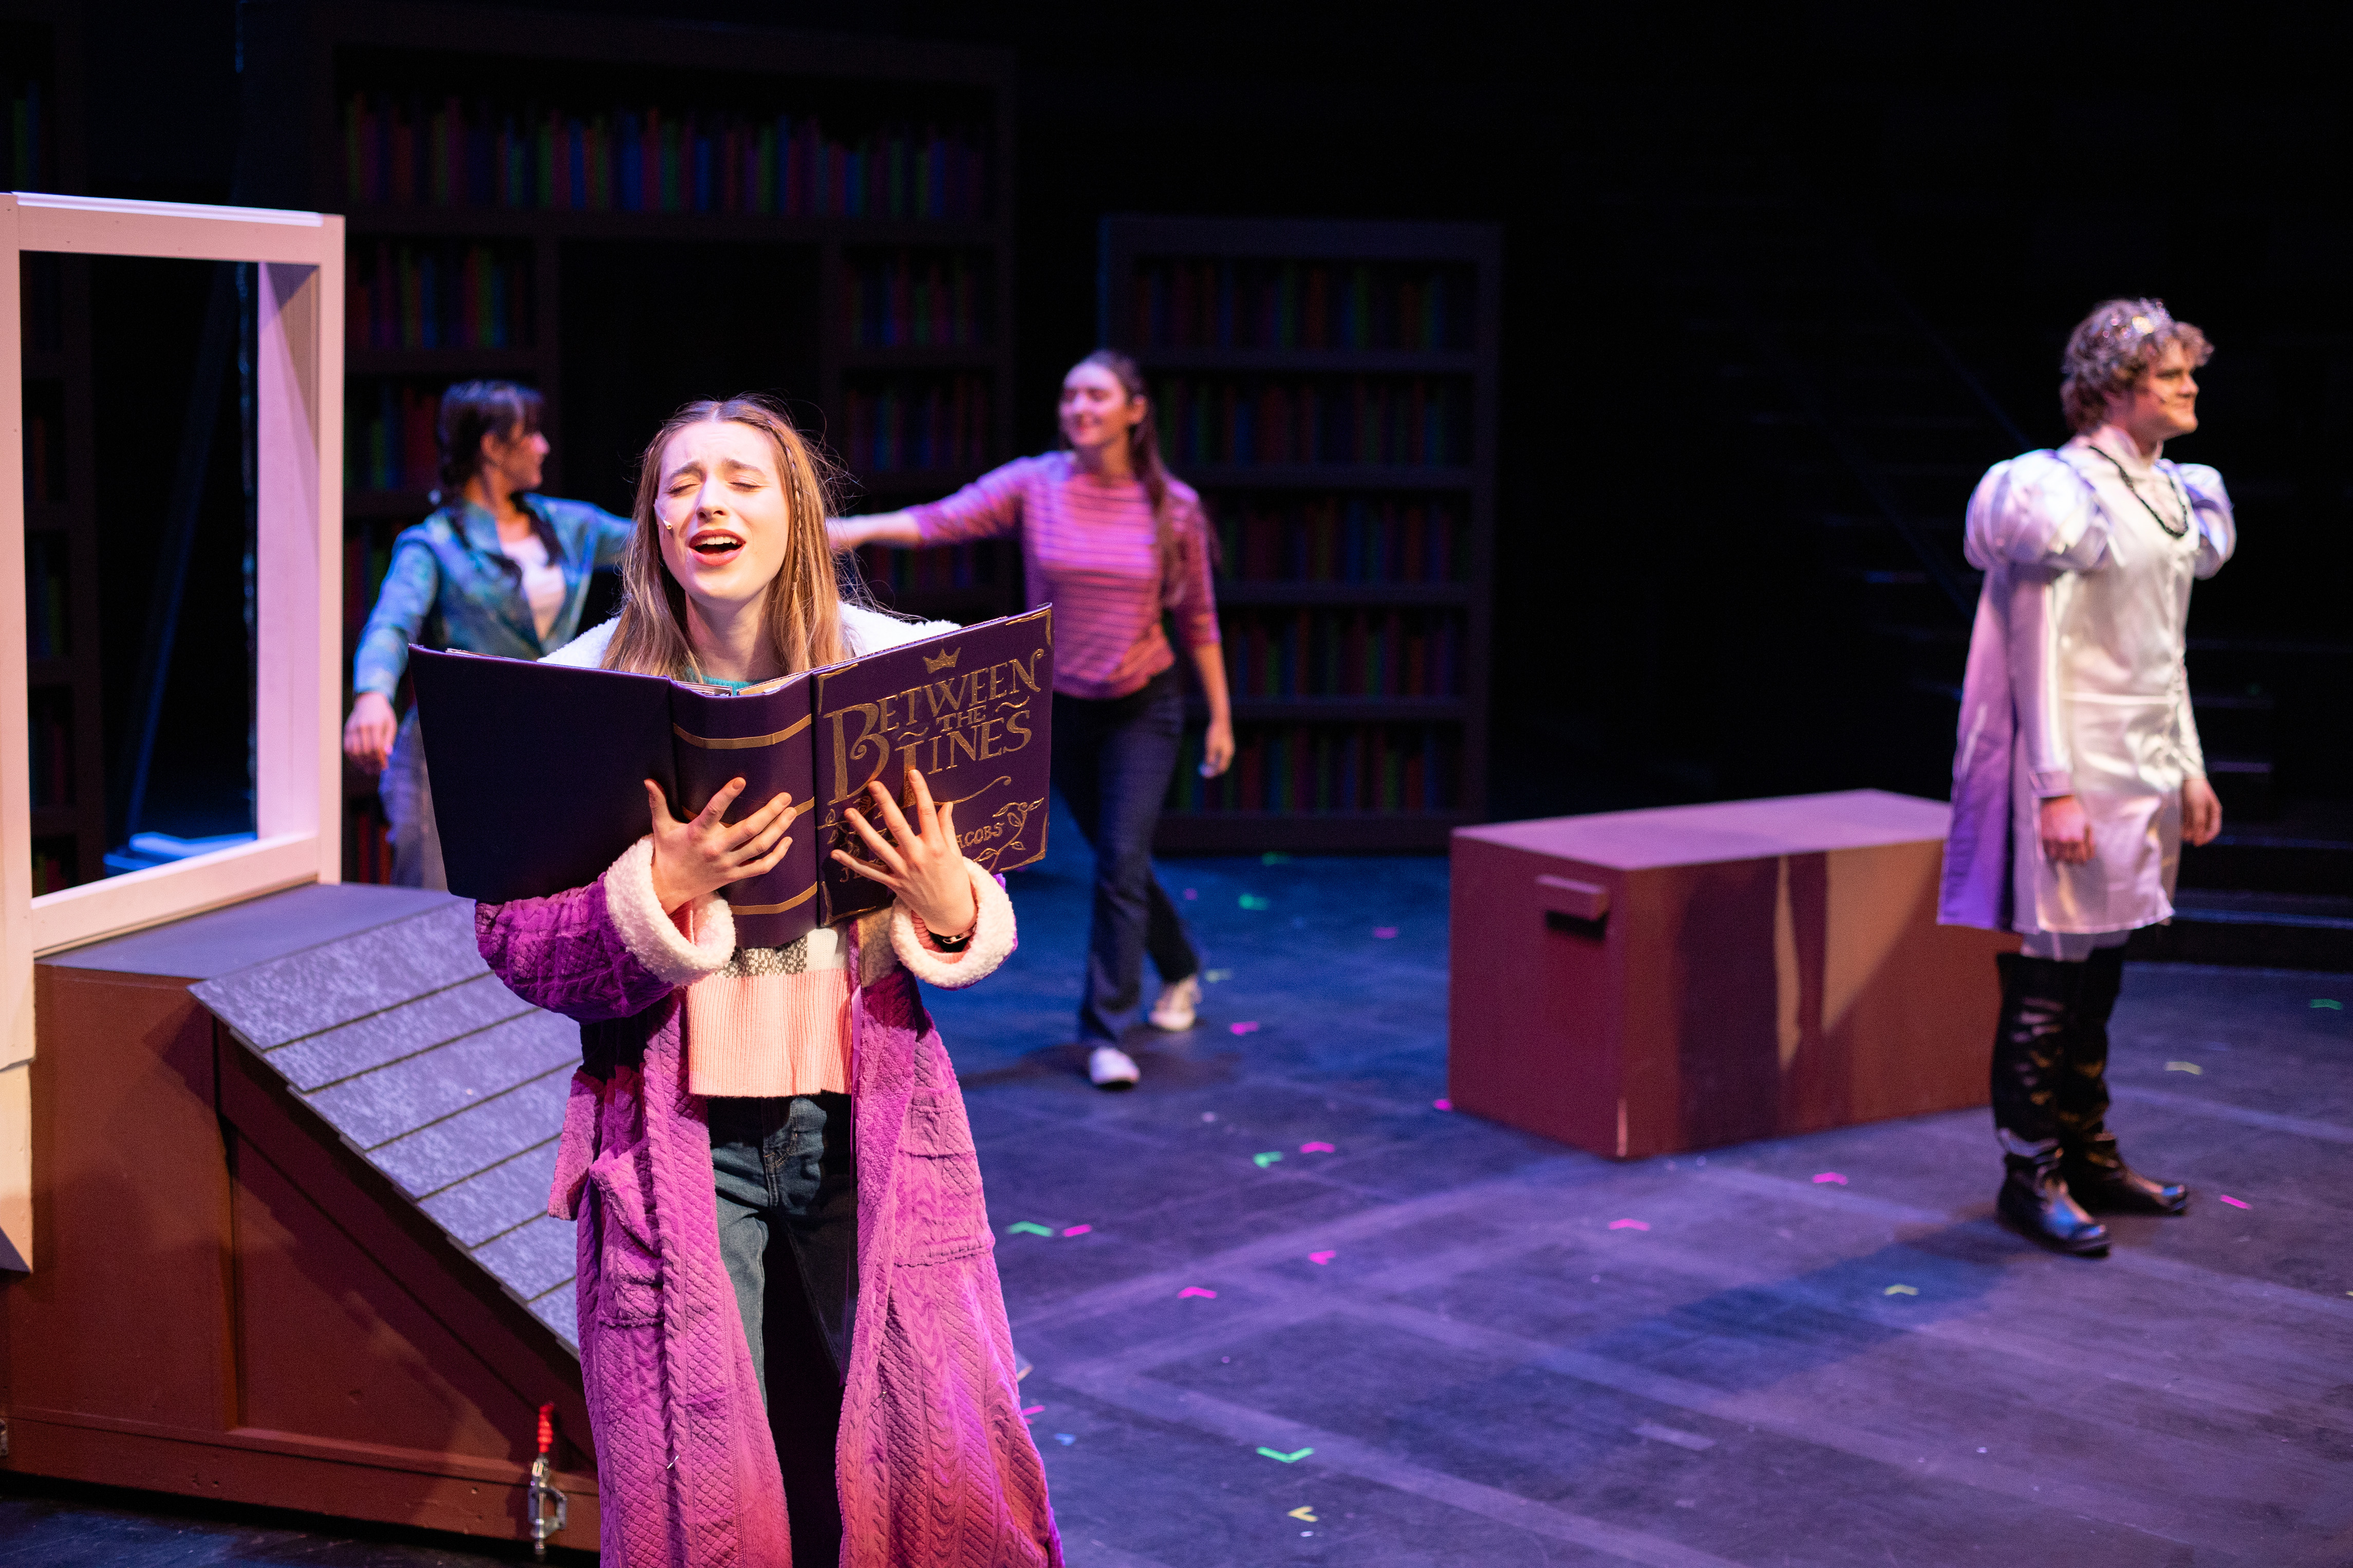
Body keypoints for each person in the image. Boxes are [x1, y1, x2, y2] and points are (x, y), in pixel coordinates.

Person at [475, 396, 1059, 1567]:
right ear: (653, 521)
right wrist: (662, 887)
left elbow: (975, 907)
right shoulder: (580, 689)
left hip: (862, 1118)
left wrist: (944, 898)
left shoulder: (901, 669)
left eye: (743, 479)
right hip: (680, 1139)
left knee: (922, 1444)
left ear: (794, 510)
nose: (712, 503)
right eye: (683, 483)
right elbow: (516, 938)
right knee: (706, 1480)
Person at [829, 350, 1232, 1089]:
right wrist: (856, 530)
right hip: (1063, 705)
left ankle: (1105, 1032)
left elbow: (1198, 619)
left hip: (1143, 705)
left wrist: (1222, 717)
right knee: (1119, 858)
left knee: (1119, 861)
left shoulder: (1172, 505)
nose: (1080, 407)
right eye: (1071, 394)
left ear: (1134, 410)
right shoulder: (1036, 483)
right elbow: (944, 518)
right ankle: (1180, 964)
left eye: (1097, 395)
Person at [1939, 299, 2233, 1257]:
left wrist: (2189, 766)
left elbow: (2166, 649)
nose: (2189, 386)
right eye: (2170, 373)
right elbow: (2037, 651)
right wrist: (2053, 788)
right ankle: (2030, 1171)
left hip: (2144, 756)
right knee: (2052, 963)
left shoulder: (2175, 493)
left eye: (2188, 371)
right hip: (2077, 756)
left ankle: (2087, 1149)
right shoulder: (2055, 491)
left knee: (2102, 962)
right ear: (2114, 389)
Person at [344, 380, 631, 888]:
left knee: (537, 893)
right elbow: (391, 623)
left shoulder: (568, 525)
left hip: (541, 739)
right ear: (493, 447)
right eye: (530, 433)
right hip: (453, 749)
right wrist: (373, 694)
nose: (543, 446)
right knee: (436, 898)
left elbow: (654, 541)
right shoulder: (434, 543)